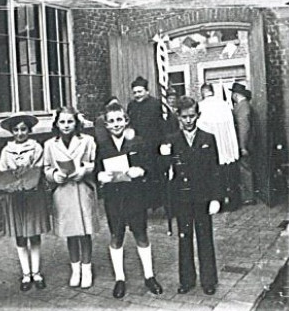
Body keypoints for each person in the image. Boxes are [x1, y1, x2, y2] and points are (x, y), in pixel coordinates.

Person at [94, 103, 163, 298]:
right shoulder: (102, 146)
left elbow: (150, 165)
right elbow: (96, 170)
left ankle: (149, 276)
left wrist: (141, 171)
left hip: (135, 196)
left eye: (119, 120)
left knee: (141, 235)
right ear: (106, 125)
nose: (116, 124)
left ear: (126, 121)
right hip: (113, 198)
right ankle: (119, 278)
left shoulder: (138, 142)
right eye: (112, 121)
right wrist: (100, 177)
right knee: (116, 236)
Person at [160, 96, 222, 295]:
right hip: (182, 198)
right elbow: (166, 171)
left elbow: (215, 170)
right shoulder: (172, 140)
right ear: (178, 116)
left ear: (198, 115)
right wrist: (164, 157)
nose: (188, 120)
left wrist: (215, 198)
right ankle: (186, 280)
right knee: (184, 238)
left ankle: (208, 280)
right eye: (184, 117)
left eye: (192, 116)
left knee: (205, 238)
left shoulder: (207, 138)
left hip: (203, 196)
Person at [43, 107, 98, 289]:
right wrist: (53, 175)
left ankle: (87, 268)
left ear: (76, 123)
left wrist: (84, 170)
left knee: (84, 231)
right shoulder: (50, 144)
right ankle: (75, 269)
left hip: (82, 189)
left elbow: (94, 162)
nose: (66, 126)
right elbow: (47, 167)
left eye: (70, 121)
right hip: (63, 191)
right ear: (57, 124)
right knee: (70, 232)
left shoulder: (88, 141)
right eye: (62, 122)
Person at [0, 113, 51, 292]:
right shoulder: (6, 150)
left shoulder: (36, 148)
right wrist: (12, 179)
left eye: (23, 129)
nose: (20, 133)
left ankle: (36, 273)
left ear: (29, 130)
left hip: (33, 195)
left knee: (34, 234)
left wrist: (28, 176)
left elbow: (37, 168)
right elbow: (3, 171)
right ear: (11, 132)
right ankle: (26, 274)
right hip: (15, 196)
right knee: (20, 236)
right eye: (16, 130)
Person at [126, 77, 169, 209]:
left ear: (147, 91)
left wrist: (164, 142)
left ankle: (161, 204)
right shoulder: (132, 106)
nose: (137, 95)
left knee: (156, 176)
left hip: (154, 147)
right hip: (139, 148)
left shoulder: (156, 105)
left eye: (140, 91)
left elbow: (164, 126)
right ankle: (144, 204)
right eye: (135, 92)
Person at [196, 83, 240, 210]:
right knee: (229, 175)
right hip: (226, 145)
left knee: (214, 176)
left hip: (211, 147)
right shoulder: (224, 104)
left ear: (203, 92)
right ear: (212, 91)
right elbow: (231, 127)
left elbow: (200, 128)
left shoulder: (201, 106)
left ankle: (217, 202)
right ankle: (232, 202)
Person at [231, 82, 256, 205]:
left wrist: (242, 146)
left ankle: (248, 197)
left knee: (245, 169)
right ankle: (248, 195)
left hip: (244, 144)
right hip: (247, 142)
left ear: (235, 95)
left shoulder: (242, 107)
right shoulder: (245, 105)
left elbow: (244, 127)